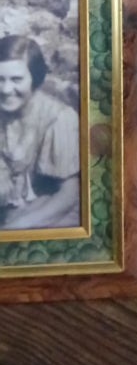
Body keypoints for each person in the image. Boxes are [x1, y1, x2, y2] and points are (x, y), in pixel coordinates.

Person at [0, 35, 80, 230]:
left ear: (34, 77)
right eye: (0, 79)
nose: (6, 89)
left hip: (50, 212)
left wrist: (18, 228)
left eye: (16, 79)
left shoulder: (59, 119)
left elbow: (70, 194)